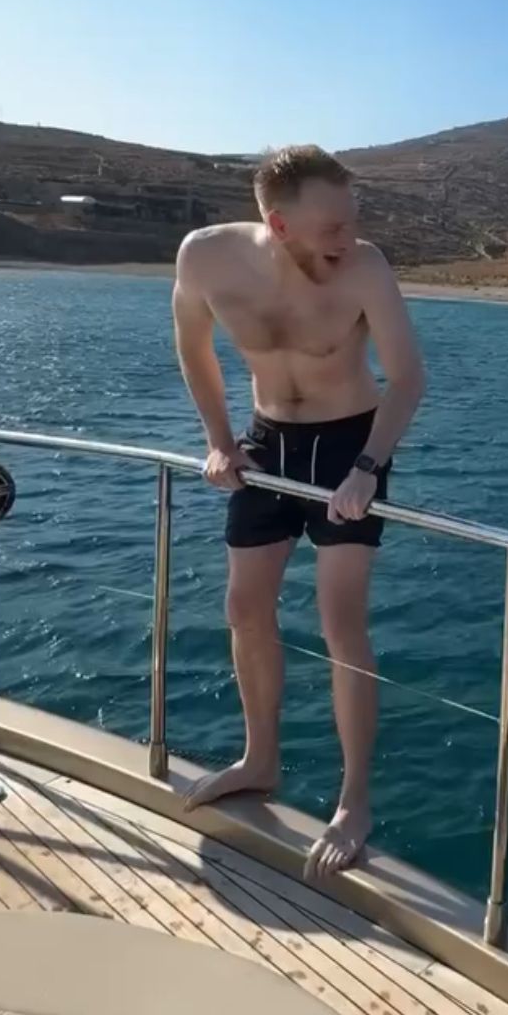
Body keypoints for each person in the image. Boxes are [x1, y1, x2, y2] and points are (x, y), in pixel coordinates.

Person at [171, 144, 425, 881]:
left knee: (340, 621)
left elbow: (408, 378)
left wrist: (368, 468)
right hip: (266, 443)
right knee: (244, 608)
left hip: (351, 446)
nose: (349, 238)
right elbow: (193, 348)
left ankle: (354, 801)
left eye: (352, 220)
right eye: (332, 228)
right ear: (278, 225)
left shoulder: (366, 268)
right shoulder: (205, 257)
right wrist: (219, 442)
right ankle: (260, 759)